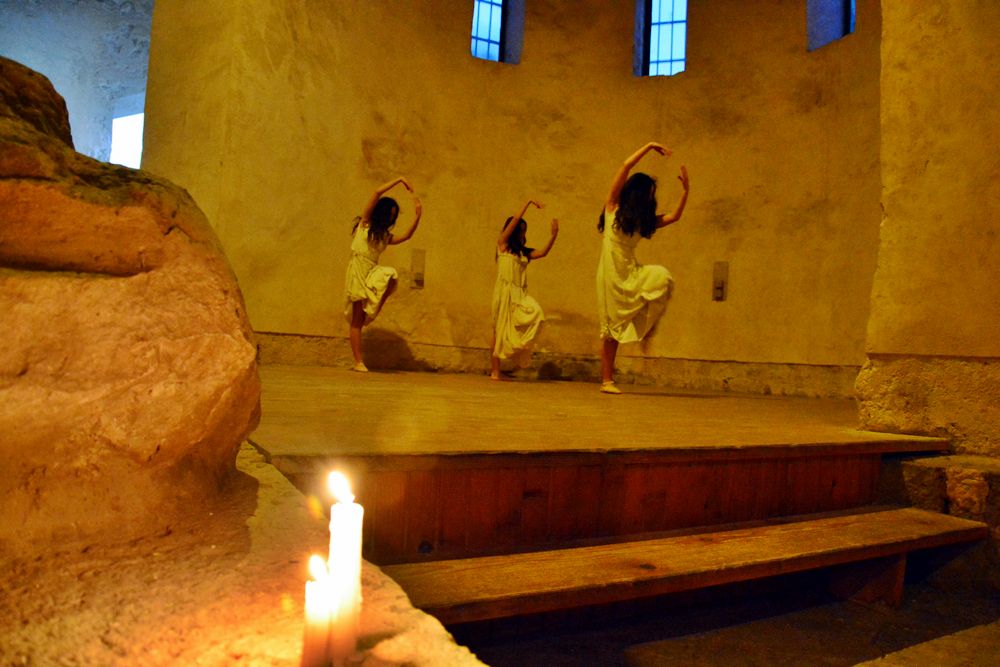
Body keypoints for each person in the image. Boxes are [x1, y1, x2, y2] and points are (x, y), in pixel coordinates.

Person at [596, 142, 689, 394]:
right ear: (637, 193)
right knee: (610, 328)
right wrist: (649, 146)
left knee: (662, 278)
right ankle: (607, 381)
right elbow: (626, 166)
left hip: (629, 269)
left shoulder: (642, 221)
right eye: (649, 193)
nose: (651, 198)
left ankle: (648, 331)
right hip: (610, 273)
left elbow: (674, 217)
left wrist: (685, 193)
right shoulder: (613, 207)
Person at [344, 176, 422, 372]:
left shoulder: (384, 236)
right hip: (358, 270)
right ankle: (358, 361)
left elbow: (406, 236)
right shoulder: (365, 223)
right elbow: (377, 192)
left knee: (391, 276)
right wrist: (400, 179)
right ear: (381, 213)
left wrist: (417, 217)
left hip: (371, 270)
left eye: (393, 217)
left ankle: (376, 304)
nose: (391, 219)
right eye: (390, 214)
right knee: (357, 320)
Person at [490, 199, 559, 379]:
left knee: (536, 313)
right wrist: (527, 203)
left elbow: (542, 253)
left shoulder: (524, 252)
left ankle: (517, 347)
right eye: (520, 230)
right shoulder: (503, 245)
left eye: (524, 230)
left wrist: (553, 236)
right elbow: (513, 222)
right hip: (504, 291)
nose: (523, 233)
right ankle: (495, 371)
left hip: (520, 293)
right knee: (498, 328)